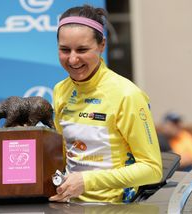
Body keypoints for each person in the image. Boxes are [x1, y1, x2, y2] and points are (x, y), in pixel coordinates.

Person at [49, 5, 162, 203]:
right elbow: (63, 154)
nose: (73, 59)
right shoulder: (61, 89)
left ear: (102, 45)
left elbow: (152, 170)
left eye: (82, 49)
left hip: (113, 206)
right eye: (65, 50)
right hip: (67, 204)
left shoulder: (127, 95)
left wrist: (87, 181)